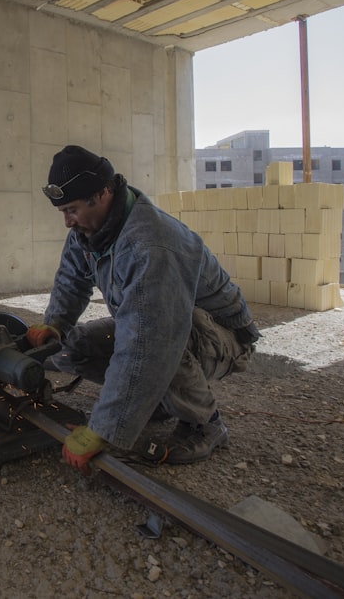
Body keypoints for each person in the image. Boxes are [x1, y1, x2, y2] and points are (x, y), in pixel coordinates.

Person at [28, 145, 260, 473]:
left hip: (224, 339)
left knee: (158, 343)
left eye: (72, 210)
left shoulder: (150, 245)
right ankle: (157, 402)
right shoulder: (90, 229)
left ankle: (206, 423)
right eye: (62, 212)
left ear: (103, 193)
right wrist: (56, 323)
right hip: (173, 328)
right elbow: (71, 277)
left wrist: (103, 428)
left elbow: (148, 346)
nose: (67, 222)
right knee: (72, 347)